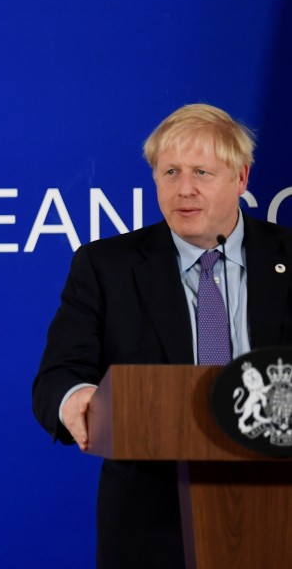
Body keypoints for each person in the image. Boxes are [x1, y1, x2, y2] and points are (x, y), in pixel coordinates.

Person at [32, 103, 292, 568]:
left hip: (281, 511)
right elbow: (58, 375)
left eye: (201, 172)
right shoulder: (104, 267)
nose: (184, 189)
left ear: (241, 177)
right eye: (169, 171)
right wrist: (77, 399)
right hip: (148, 523)